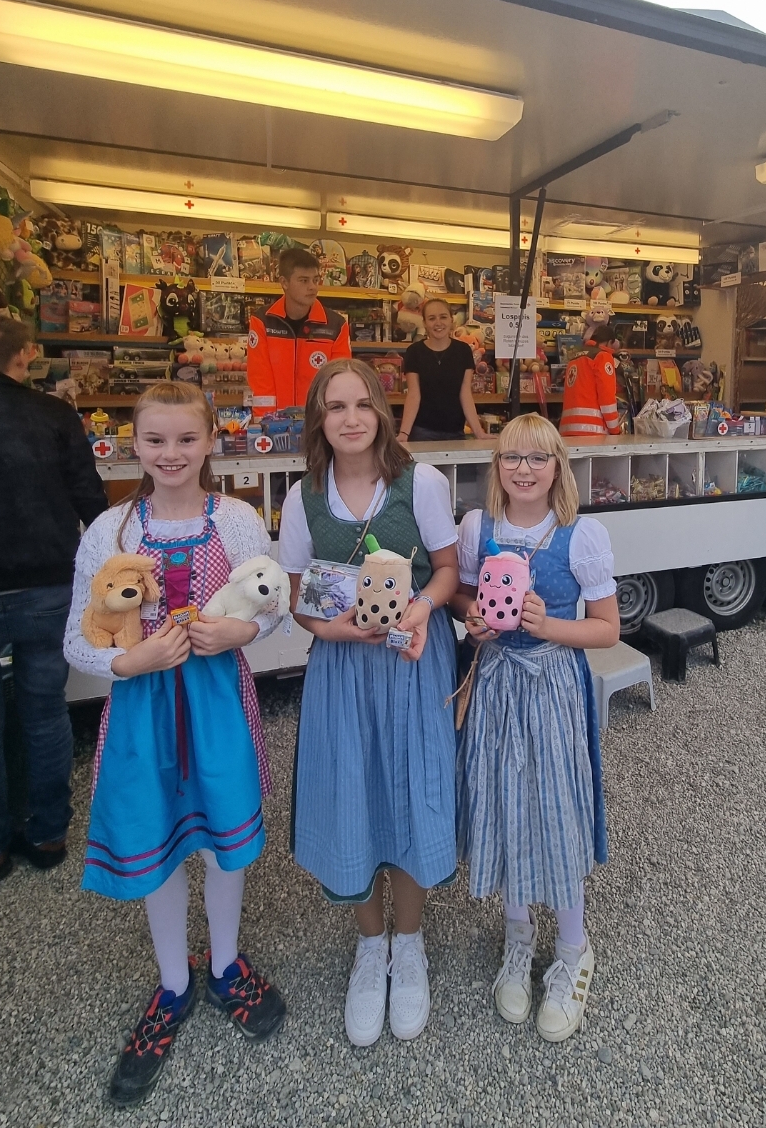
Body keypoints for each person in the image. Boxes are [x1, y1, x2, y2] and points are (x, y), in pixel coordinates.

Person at [63, 381, 286, 1107]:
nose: (170, 453)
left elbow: (274, 606)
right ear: (133, 443)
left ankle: (224, 964)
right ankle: (173, 982)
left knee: (224, 842)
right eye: (155, 439)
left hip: (219, 702)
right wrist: (130, 661)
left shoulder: (240, 520)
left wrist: (242, 630)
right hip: (143, 710)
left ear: (211, 441)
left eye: (186, 439)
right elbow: (78, 638)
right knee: (156, 842)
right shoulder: (110, 531)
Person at [279, 359, 460, 1047]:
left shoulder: (422, 482)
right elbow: (296, 594)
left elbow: (447, 570)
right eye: (335, 407)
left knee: (410, 788)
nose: (350, 418)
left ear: (382, 410)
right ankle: (369, 943)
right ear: (318, 419)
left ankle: (408, 943)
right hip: (343, 667)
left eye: (361, 404)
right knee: (351, 790)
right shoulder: (302, 497)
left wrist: (421, 608)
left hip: (412, 659)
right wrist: (326, 629)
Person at [451, 414, 618, 1042]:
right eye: (511, 457)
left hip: (551, 685)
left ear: (557, 467)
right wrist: (474, 619)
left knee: (556, 806)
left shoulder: (581, 535)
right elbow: (464, 597)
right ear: (497, 467)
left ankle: (573, 947)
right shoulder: (478, 527)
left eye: (537, 458)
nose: (523, 469)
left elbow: (607, 628)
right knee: (503, 801)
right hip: (497, 683)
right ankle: (517, 936)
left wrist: (549, 625)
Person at [0, 314, 108, 886]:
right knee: (45, 712)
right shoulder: (53, 414)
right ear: (23, 356)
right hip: (48, 583)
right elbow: (89, 496)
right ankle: (49, 833)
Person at [246, 246, 351, 412]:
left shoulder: (336, 325)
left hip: (320, 420)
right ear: (284, 283)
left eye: (315, 280)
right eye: (304, 280)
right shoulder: (262, 321)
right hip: (275, 421)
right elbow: (260, 380)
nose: (313, 287)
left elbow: (340, 381)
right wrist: (265, 421)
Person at [398, 298, 491, 443]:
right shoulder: (414, 352)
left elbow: (465, 394)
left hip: (456, 431)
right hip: (422, 431)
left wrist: (479, 432)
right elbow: (413, 395)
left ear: (451, 320)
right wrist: (404, 433)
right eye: (431, 318)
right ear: (424, 323)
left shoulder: (463, 351)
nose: (438, 323)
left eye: (443, 317)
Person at [559, 323, 621, 437]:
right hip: (592, 430)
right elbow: (606, 396)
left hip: (567, 430)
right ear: (609, 342)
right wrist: (615, 430)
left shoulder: (573, 359)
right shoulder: (603, 357)